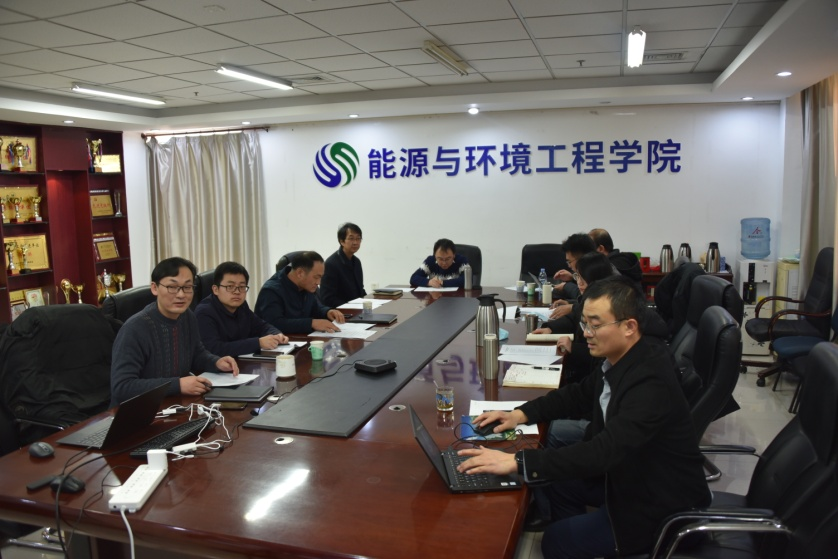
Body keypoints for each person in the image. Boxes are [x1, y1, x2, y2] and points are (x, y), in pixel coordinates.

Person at [458, 276, 710, 559]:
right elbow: (578, 394)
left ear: (629, 326)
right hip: (630, 478)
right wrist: (520, 413)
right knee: (559, 486)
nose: (586, 333)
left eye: (595, 325)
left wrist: (517, 461)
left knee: (556, 541)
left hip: (659, 507)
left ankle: (589, 540)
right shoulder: (624, 357)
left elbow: (603, 452)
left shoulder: (650, 381)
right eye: (584, 323)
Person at [110, 257, 239, 407]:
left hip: (174, 405)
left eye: (187, 287)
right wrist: (178, 385)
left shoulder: (187, 316)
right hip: (136, 411)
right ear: (154, 288)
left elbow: (196, 354)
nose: (181, 295)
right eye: (172, 287)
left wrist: (216, 362)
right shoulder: (135, 329)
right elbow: (122, 387)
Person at [195, 261, 289, 357]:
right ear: (216, 289)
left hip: (241, 361)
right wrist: (258, 343)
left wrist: (276, 334)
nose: (237, 292)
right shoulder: (204, 313)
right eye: (230, 287)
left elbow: (261, 326)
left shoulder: (241, 305)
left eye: (242, 287)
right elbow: (214, 349)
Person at [255, 251, 346, 334]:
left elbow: (315, 308)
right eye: (316, 277)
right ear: (300, 273)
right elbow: (275, 324)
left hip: (301, 338)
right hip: (277, 344)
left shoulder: (306, 286)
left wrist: (327, 312)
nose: (318, 283)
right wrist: (311, 323)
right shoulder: (271, 291)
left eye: (320, 277)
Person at [548, 233, 597, 319]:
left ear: (582, 258)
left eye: (569, 262)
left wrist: (572, 308)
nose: (569, 266)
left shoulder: (601, 272)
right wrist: (570, 303)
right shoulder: (592, 269)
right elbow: (586, 299)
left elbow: (596, 306)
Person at [320, 223, 366, 308]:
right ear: (342, 241)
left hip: (357, 309)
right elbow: (327, 298)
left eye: (358, 238)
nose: (355, 242)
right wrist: (351, 307)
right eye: (351, 238)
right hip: (340, 311)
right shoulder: (331, 264)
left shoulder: (357, 262)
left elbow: (360, 290)